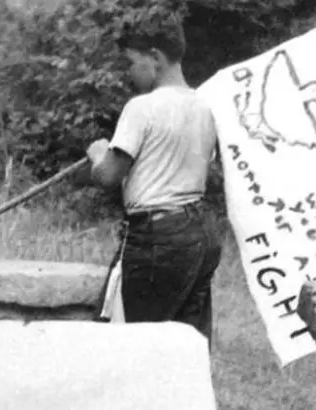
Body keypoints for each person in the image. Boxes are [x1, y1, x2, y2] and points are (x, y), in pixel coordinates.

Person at [86, 14, 223, 344]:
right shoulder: (204, 106)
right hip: (201, 232)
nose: (129, 72)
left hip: (158, 236)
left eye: (133, 62)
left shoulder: (141, 107)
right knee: (186, 346)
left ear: (156, 58)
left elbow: (108, 175)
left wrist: (97, 153)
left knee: (137, 346)